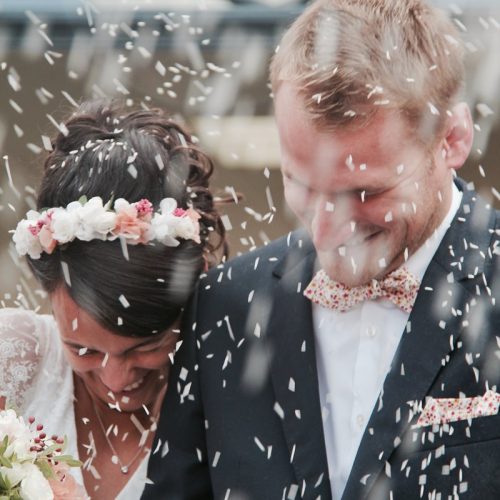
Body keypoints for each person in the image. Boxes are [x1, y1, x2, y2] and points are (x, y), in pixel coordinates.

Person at [143, 0, 500, 499]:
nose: (328, 232)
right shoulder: (223, 306)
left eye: (365, 193)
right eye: (302, 184)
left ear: (452, 139)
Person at [0, 101, 226, 499]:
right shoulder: (11, 359)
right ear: (47, 292)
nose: (116, 380)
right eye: (83, 350)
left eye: (147, 346)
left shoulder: (227, 391)